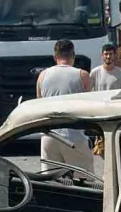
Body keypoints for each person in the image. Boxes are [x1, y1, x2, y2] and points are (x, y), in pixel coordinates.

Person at [36, 40, 94, 176]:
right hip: (75, 137)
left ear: (55, 57)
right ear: (73, 55)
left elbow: (38, 107)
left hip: (49, 137)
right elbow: (91, 108)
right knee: (85, 184)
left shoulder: (42, 76)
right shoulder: (83, 76)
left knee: (51, 185)